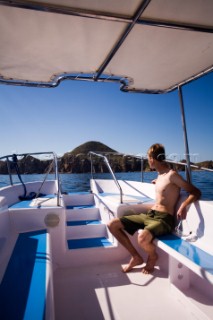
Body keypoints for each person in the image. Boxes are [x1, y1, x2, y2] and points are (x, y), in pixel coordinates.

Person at [107, 143, 201, 274]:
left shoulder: (172, 175)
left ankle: (152, 257)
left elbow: (196, 192)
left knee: (142, 238)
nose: (148, 161)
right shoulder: (160, 176)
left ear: (152, 158)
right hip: (150, 215)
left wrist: (184, 205)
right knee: (112, 224)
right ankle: (136, 257)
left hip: (164, 219)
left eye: (148, 158)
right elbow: (165, 189)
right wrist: (157, 182)